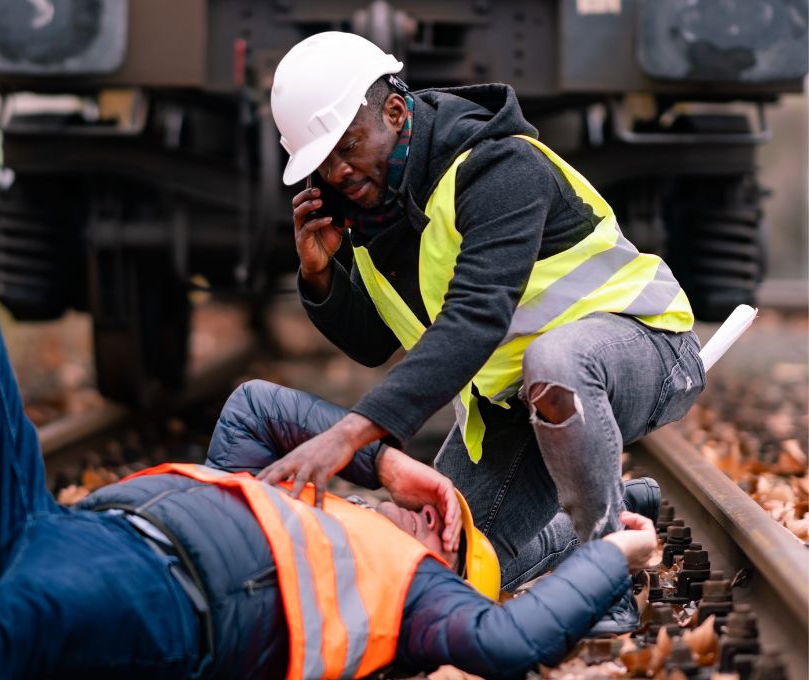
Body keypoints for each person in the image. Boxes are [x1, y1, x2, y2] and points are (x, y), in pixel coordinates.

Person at [0, 285, 658, 679]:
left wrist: (617, 551)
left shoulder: (409, 602)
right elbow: (254, 407)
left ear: (445, 575)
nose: (429, 517)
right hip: (42, 535)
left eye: (443, 535)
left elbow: (510, 639)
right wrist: (384, 458)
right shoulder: (300, 509)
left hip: (140, 599)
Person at [263, 31, 705, 631]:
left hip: (645, 350)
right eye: (323, 164)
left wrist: (349, 434)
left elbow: (477, 315)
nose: (339, 173)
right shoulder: (375, 212)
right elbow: (373, 343)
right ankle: (617, 511)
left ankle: (608, 579)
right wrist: (319, 276)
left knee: (557, 359)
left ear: (394, 111)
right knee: (442, 567)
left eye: (348, 147)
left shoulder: (499, 164)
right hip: (517, 405)